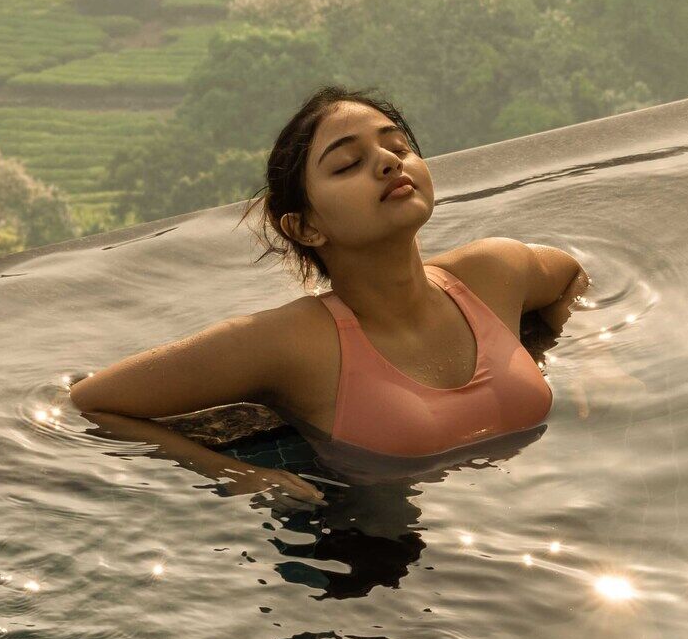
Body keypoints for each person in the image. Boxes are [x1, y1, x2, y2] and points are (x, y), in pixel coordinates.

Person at [69, 86, 587, 502]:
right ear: (306, 228)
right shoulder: (295, 342)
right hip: (399, 575)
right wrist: (236, 475)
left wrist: (583, 361)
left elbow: (572, 278)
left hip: (554, 521)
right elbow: (94, 401)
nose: (388, 161)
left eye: (398, 145)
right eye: (347, 165)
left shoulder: (493, 271)